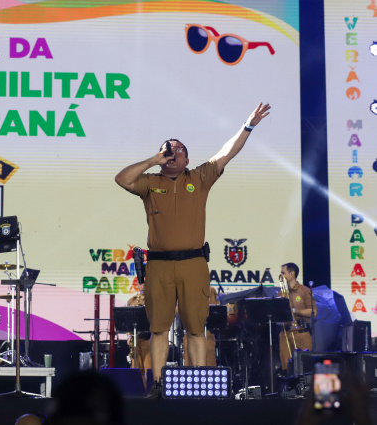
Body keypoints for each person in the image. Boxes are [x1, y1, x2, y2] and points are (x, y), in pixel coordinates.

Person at [114, 103, 271, 394]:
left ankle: (198, 385)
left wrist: (248, 125)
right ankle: (158, 386)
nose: (171, 154)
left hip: (193, 263)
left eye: (177, 151)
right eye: (166, 151)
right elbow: (122, 179)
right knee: (159, 329)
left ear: (187, 159)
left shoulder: (198, 178)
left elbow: (227, 152)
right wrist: (153, 159)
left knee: (196, 328)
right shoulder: (150, 182)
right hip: (159, 264)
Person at [278, 262, 316, 371]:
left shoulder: (305, 291)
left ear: (292, 273)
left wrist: (294, 311)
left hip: (301, 333)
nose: (281, 276)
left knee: (304, 366)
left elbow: (313, 312)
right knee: (286, 367)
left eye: (283, 273)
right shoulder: (280, 293)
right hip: (285, 334)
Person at [125, 282, 152, 387]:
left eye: (145, 283)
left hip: (149, 340)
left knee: (149, 370)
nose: (143, 286)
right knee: (136, 370)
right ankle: (138, 394)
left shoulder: (154, 300)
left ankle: (149, 393)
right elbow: (126, 322)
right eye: (141, 284)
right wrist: (128, 337)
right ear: (137, 285)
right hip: (135, 341)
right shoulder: (131, 301)